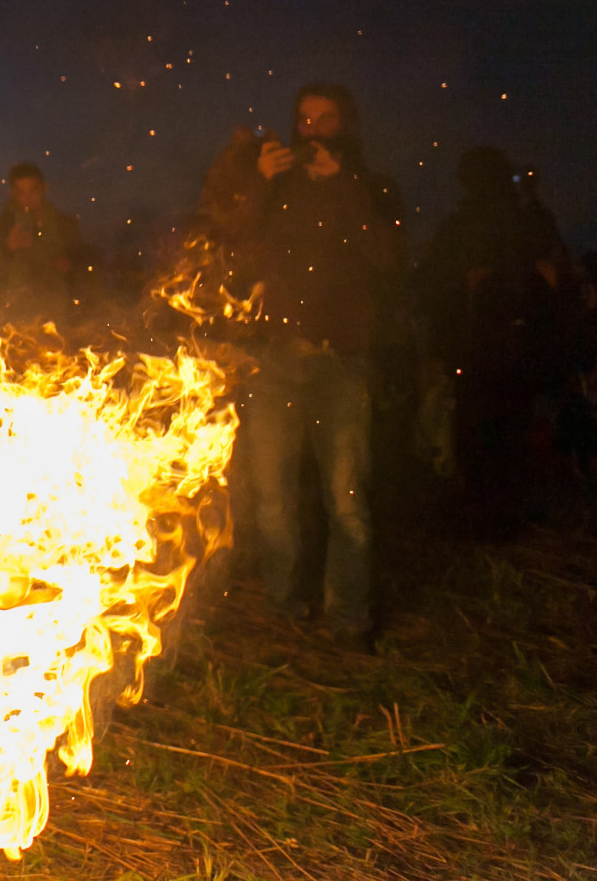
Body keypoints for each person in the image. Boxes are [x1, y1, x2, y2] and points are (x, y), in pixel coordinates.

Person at [203, 83, 403, 645]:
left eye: (326, 119)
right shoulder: (276, 183)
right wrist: (258, 185)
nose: (313, 130)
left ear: (348, 124)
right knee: (273, 499)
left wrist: (344, 186)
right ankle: (285, 606)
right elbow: (234, 251)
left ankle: (348, 616)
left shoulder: (371, 187)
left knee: (347, 501)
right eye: (305, 120)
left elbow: (388, 258)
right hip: (272, 360)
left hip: (341, 361)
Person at [418, 147, 574, 538]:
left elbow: (551, 275)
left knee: (485, 432)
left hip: (494, 346)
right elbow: (441, 285)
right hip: (498, 346)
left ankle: (490, 517)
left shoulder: (506, 220)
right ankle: (496, 517)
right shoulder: (511, 220)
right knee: (497, 431)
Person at [0, 163, 83, 323]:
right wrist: (7, 248)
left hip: (58, 312)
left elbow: (85, 269)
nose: (28, 198)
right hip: (15, 315)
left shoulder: (63, 225)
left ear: (44, 188)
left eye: (33, 191)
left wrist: (68, 266)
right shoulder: (2, 228)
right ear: (12, 193)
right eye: (21, 193)